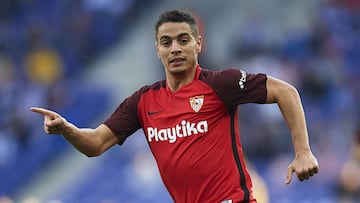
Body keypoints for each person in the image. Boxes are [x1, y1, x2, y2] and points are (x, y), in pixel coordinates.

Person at [31, 9, 319, 203]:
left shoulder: (221, 84)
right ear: (157, 49)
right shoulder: (143, 102)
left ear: (198, 44)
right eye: (166, 42)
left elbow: (286, 91)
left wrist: (303, 151)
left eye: (183, 40)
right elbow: (95, 144)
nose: (175, 48)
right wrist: (67, 129)